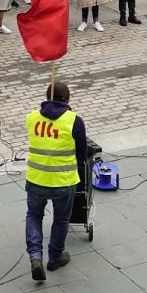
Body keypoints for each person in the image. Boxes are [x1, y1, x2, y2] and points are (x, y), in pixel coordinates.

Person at [24, 81, 90, 281]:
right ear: (67, 99)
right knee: (61, 219)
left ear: (46, 97)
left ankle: (35, 256)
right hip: (63, 181)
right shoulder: (74, 121)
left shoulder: (32, 118)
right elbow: (82, 154)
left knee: (34, 216)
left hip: (36, 179)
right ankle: (55, 257)